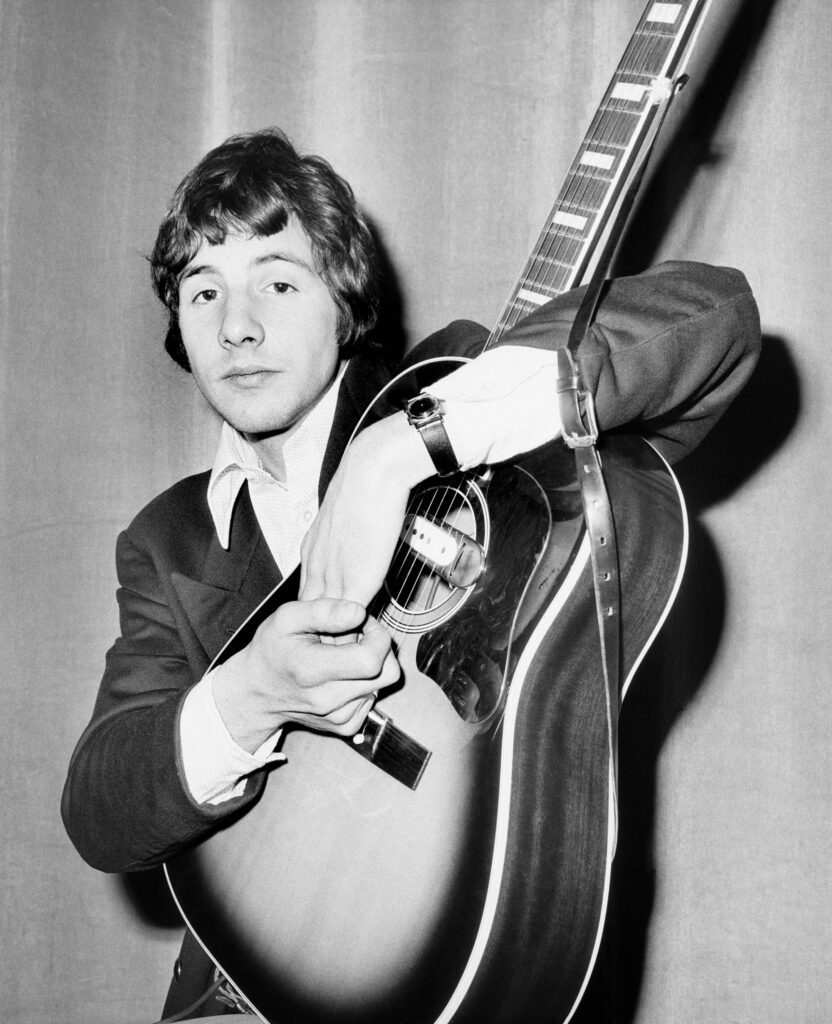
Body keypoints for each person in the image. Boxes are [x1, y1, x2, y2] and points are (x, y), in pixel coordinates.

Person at [61, 127, 760, 1020]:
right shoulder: (169, 540)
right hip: (236, 996)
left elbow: (719, 317)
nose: (238, 326)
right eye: (204, 293)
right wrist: (251, 697)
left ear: (345, 301)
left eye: (278, 280)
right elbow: (99, 810)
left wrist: (409, 448)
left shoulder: (472, 401)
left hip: (486, 959)